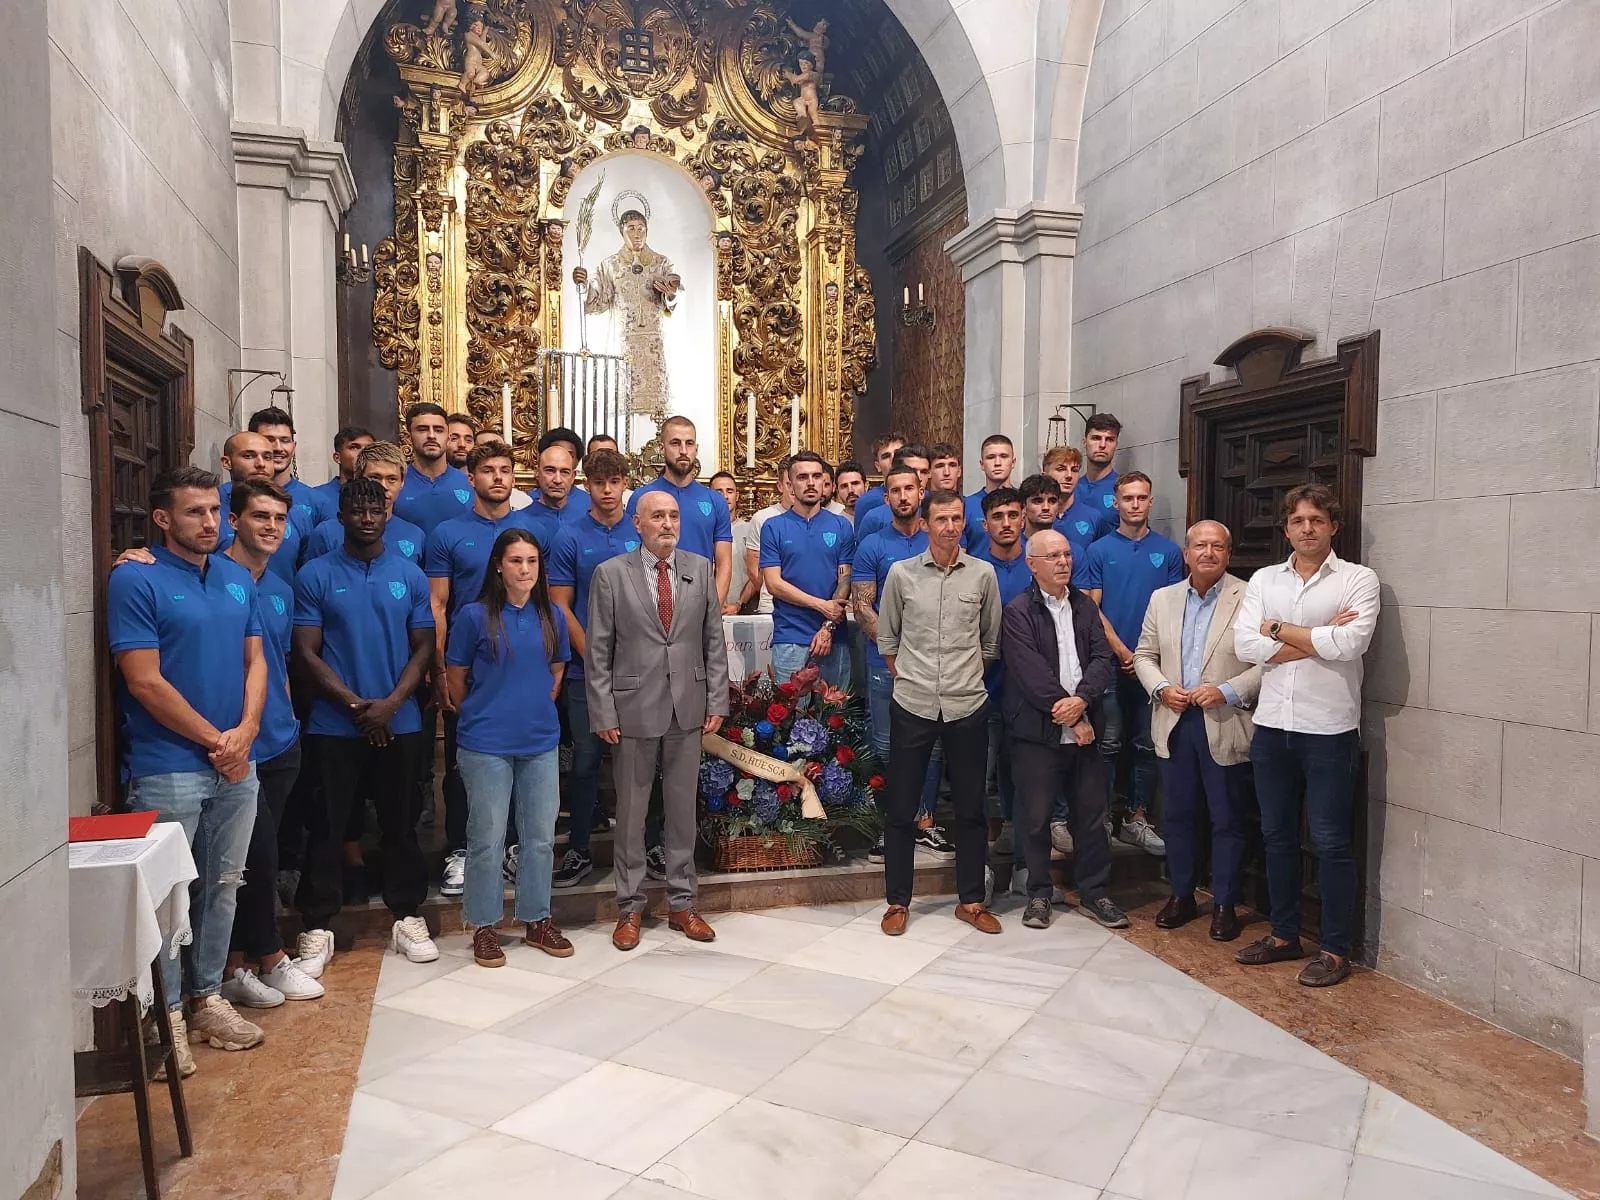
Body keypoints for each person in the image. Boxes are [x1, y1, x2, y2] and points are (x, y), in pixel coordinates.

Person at [109, 466, 269, 1073]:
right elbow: (144, 681)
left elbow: (256, 662)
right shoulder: (135, 579)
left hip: (236, 757)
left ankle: (206, 997)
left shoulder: (234, 576)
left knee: (224, 884)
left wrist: (246, 732)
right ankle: (165, 1012)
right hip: (168, 761)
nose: (209, 522)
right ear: (163, 519)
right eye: (194, 512)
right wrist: (216, 741)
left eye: (214, 511)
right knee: (170, 894)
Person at [1233, 484, 1379, 987]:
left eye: (1317, 520)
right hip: (1272, 725)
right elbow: (1245, 644)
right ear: (1286, 528)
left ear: (1333, 526)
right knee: (1276, 836)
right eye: (1298, 521)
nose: (1308, 528)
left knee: (1333, 841)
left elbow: (1351, 643)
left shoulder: (1359, 580)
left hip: (1329, 730)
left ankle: (1336, 949)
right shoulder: (1264, 579)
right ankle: (1284, 935)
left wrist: (1278, 630)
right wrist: (1314, 637)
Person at [293, 477, 439, 965]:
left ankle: (406, 915)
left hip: (401, 720)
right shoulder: (314, 574)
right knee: (328, 826)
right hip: (334, 726)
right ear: (340, 515)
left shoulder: (410, 574)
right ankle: (317, 923)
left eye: (375, 509)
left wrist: (391, 704)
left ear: (387, 515)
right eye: (356, 509)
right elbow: (306, 652)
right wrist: (358, 706)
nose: (367, 517)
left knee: (400, 825)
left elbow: (423, 646)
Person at [586, 491, 729, 951]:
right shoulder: (611, 575)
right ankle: (629, 906)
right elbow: (598, 650)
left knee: (683, 809)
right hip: (632, 708)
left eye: (673, 516)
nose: (667, 524)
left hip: (688, 705)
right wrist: (604, 709)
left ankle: (683, 903)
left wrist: (716, 699)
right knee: (631, 812)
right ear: (637, 524)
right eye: (657, 517)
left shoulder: (699, 568)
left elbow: (713, 639)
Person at [426, 441, 558, 896]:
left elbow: (551, 617)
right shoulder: (449, 531)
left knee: (532, 785)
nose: (497, 478)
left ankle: (519, 851)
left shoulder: (531, 530)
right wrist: (441, 671)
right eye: (488, 471)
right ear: (472, 478)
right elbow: (439, 603)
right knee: (468, 770)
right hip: (473, 659)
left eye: (505, 470)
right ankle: (463, 850)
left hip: (524, 664)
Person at [447, 528, 576, 965]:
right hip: (486, 743)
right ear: (499, 566)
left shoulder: (551, 616)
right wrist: (486, 713)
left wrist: (536, 706)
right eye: (516, 561)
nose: (525, 569)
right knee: (487, 837)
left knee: (540, 837)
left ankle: (537, 918)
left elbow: (557, 670)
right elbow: (455, 678)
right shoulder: (473, 616)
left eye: (532, 562)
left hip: (539, 741)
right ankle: (484, 925)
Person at [877, 490, 1003, 937]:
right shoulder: (901, 574)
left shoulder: (983, 575)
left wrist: (963, 678)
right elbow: (887, 640)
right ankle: (897, 901)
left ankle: (970, 900)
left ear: (966, 523)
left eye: (956, 519)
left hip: (967, 703)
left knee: (970, 806)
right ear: (926, 524)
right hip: (912, 703)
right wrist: (913, 677)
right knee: (902, 807)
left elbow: (990, 643)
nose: (950, 527)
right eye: (941, 519)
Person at [1133, 520, 1260, 942]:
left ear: (1228, 553)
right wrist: (1162, 688)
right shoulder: (1163, 598)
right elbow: (1143, 654)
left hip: (1225, 722)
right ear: (1185, 553)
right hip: (1175, 722)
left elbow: (1269, 662)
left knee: (1228, 818)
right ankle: (1182, 895)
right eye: (1200, 546)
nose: (1208, 552)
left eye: (1217, 546)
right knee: (1179, 815)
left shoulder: (1251, 597)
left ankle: (1224, 902)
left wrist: (1227, 690)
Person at [1003, 530, 1126, 930]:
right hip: (1038, 731)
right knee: (1036, 818)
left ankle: (1096, 892)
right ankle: (1039, 893)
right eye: (1053, 556)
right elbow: (1030, 673)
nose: (1063, 562)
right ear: (1032, 563)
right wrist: (1075, 715)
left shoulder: (1085, 607)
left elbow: (1102, 658)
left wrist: (1084, 702)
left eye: (1067, 555)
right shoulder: (1018, 610)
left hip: (1086, 727)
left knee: (1091, 816)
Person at [1079, 471, 1183, 855]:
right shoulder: (1099, 550)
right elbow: (1092, 606)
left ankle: (1137, 817)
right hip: (1109, 660)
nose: (1135, 505)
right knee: (1107, 743)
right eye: (1128, 498)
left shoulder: (1170, 552)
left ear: (1150, 501)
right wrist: (1124, 652)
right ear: (1116, 503)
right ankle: (1101, 817)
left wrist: (1145, 658)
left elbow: (1174, 608)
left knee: (1146, 743)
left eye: (1141, 498)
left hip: (1154, 665)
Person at [851, 465, 951, 861]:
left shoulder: (938, 542)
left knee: (931, 744)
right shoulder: (873, 545)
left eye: (910, 488)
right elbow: (863, 606)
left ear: (921, 491)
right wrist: (897, 650)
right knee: (886, 745)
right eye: (895, 490)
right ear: (886, 497)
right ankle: (889, 823)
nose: (904, 496)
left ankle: (925, 822)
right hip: (886, 663)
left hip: (934, 666)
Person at [548, 448, 637, 888]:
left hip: (638, 670)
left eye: (614, 482)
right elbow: (561, 607)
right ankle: (580, 848)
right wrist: (597, 658)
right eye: (598, 483)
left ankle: (643, 845)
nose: (606, 491)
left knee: (641, 761)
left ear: (625, 482)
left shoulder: (639, 531)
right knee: (584, 761)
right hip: (588, 670)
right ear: (587, 485)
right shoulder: (569, 535)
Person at [760, 451, 855, 689]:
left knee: (834, 718)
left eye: (816, 476)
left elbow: (846, 579)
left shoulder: (841, 525)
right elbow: (774, 584)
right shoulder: (773, 527)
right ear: (790, 485)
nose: (811, 483)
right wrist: (821, 605)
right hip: (790, 636)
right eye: (803, 477)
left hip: (834, 636)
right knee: (790, 718)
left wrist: (827, 627)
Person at [970, 488, 1030, 853]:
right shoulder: (973, 568)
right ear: (985, 523)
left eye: (1012, 515)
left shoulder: (1039, 563)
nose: (1006, 523)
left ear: (1024, 516)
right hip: (983, 688)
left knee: (1023, 774)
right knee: (980, 773)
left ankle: (1019, 842)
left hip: (1029, 693)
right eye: (998, 516)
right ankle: (982, 849)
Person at [624, 415, 732, 606]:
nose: (683, 451)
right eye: (675, 443)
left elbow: (724, 564)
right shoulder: (641, 498)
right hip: (650, 602)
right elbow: (630, 558)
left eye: (689, 443)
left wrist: (712, 610)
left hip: (699, 601)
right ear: (662, 448)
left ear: (696, 449)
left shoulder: (715, 501)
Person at [302, 441, 427, 566]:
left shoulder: (415, 535)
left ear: (402, 482)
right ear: (358, 478)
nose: (384, 486)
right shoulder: (326, 533)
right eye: (375, 477)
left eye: (392, 479)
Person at [215, 431, 312, 581]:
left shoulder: (294, 511)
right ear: (226, 462)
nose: (260, 464)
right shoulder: (211, 509)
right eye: (249, 456)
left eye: (267, 457)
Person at [247, 406, 336, 527]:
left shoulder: (318, 502)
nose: (278, 448)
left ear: (293, 447)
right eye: (269, 440)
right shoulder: (228, 497)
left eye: (285, 440)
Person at [393, 403, 474, 534]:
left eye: (438, 430)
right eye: (422, 429)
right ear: (408, 438)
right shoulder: (395, 483)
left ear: (448, 437)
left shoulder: (470, 484)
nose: (431, 435)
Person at [853, 444, 931, 541]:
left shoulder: (936, 507)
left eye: (924, 472)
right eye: (912, 471)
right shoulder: (873, 516)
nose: (919, 478)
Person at [742, 461, 791, 615]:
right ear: (780, 486)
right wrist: (770, 589)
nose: (794, 488)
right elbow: (753, 568)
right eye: (789, 483)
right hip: (771, 605)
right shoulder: (762, 518)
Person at [1045, 445, 1111, 555]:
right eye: (1061, 469)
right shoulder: (1034, 516)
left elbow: (1104, 556)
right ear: (1045, 475)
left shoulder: (1094, 517)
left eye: (1074, 470)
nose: (1069, 475)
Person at [710, 471, 754, 613]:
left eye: (730, 491)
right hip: (704, 612)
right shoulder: (701, 532)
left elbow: (758, 574)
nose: (725, 496)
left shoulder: (750, 530)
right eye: (719, 491)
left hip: (742, 611)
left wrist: (740, 603)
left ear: (737, 496)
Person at [311, 426, 376, 512]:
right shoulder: (316, 496)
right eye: (354, 447)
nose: (363, 453)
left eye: (369, 448)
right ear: (337, 457)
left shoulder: (385, 494)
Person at [852, 430, 906, 529]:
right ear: (878, 466)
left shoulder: (925, 497)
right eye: (886, 456)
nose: (893, 460)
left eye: (898, 454)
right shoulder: (867, 502)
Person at [964, 434, 1015, 532]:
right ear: (982, 464)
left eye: (1003, 456)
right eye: (991, 457)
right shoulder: (967, 505)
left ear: (1013, 462)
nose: (997, 463)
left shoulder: (1024, 502)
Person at [1077, 412, 1122, 520]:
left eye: (1109, 439)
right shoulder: (1070, 489)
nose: (1102, 445)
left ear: (1116, 445)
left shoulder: (1123, 489)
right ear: (1084, 442)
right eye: (1096, 438)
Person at [532, 443, 590, 527]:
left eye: (564, 472)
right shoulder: (521, 522)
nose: (557, 480)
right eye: (550, 470)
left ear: (573, 476)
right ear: (537, 473)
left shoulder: (586, 520)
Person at [1017, 473, 1063, 540]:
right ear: (1023, 506)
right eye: (1038, 501)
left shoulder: (1071, 548)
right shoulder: (1012, 548)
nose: (1046, 507)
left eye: (1052, 501)